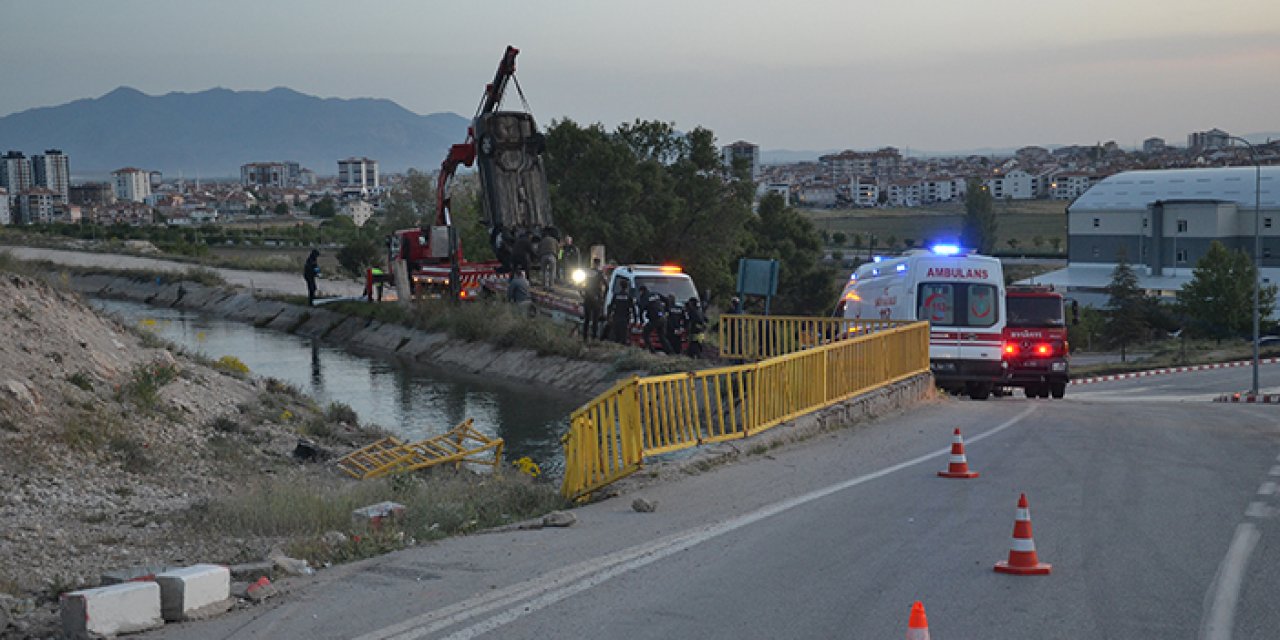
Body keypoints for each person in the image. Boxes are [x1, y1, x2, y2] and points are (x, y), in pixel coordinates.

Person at [641, 287, 675, 354]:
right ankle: (671, 352)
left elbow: (641, 309)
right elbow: (667, 300)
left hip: (655, 319)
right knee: (662, 337)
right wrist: (667, 311)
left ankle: (652, 351)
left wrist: (642, 320)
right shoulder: (656, 294)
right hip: (663, 317)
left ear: (641, 291)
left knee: (645, 333)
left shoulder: (645, 297)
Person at [580, 258, 604, 341]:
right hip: (596, 297)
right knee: (595, 319)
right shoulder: (600, 274)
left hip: (587, 297)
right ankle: (593, 337)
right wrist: (602, 296)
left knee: (587, 319)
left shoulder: (587, 273)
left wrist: (582, 294)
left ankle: (585, 337)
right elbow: (606, 285)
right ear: (599, 264)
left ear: (593, 263)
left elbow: (580, 284)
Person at [607, 279, 634, 344]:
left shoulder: (616, 295)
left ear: (620, 286)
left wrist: (608, 316)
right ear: (627, 286)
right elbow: (633, 308)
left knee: (616, 336)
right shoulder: (628, 297)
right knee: (623, 336)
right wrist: (634, 320)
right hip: (625, 318)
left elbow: (610, 306)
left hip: (616, 317)